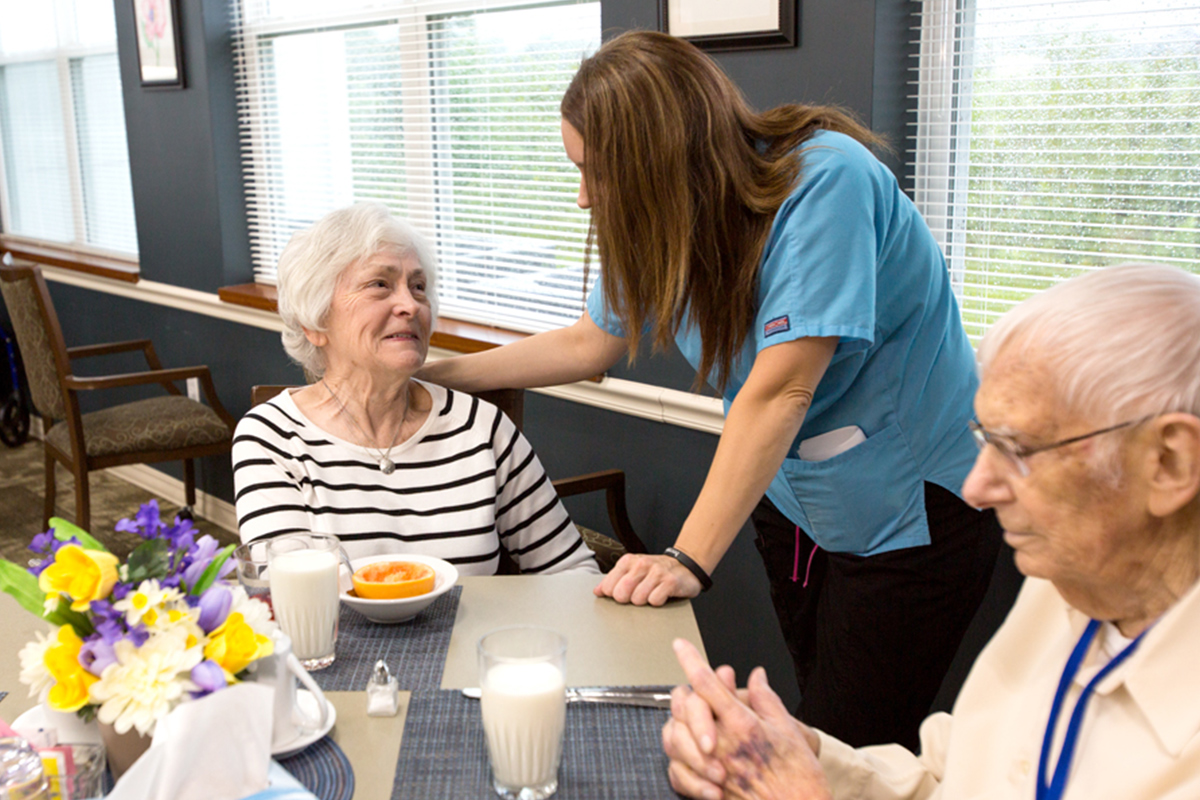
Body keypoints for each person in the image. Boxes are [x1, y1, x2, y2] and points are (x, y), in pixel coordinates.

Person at [418, 30, 1003, 748]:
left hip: (910, 509)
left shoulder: (825, 184)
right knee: (813, 722)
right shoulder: (668, 219)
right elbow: (589, 342)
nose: (582, 198)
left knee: (855, 742)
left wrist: (685, 557)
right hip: (794, 504)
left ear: (660, 159)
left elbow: (781, 390)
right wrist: (428, 372)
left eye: (595, 172)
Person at [662, 262, 1200, 800]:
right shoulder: (1067, 587)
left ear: (1169, 463)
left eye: (1018, 449)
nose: (975, 488)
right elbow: (951, 779)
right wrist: (807, 757)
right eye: (984, 437)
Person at [232, 202, 598, 576]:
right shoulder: (271, 437)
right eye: (379, 285)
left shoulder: (481, 428)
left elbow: (570, 570)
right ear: (315, 322)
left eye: (418, 287)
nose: (410, 305)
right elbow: (289, 593)